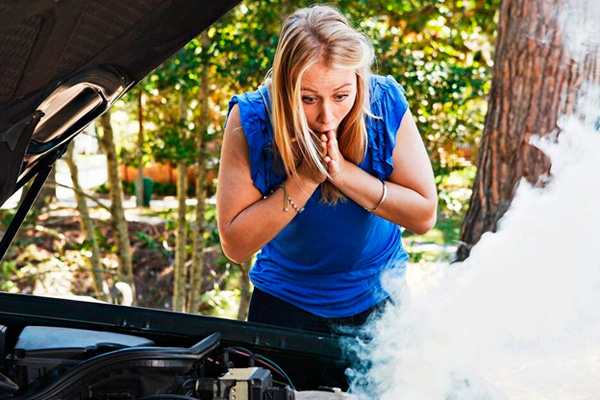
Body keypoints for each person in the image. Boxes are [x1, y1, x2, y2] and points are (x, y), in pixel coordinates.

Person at [216, 5, 437, 334]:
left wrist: (344, 173)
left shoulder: (385, 102)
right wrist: (305, 178)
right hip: (284, 308)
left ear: (358, 81)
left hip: (381, 304)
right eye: (308, 99)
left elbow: (424, 216)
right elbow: (235, 246)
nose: (327, 116)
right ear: (284, 89)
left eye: (341, 95)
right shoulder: (252, 117)